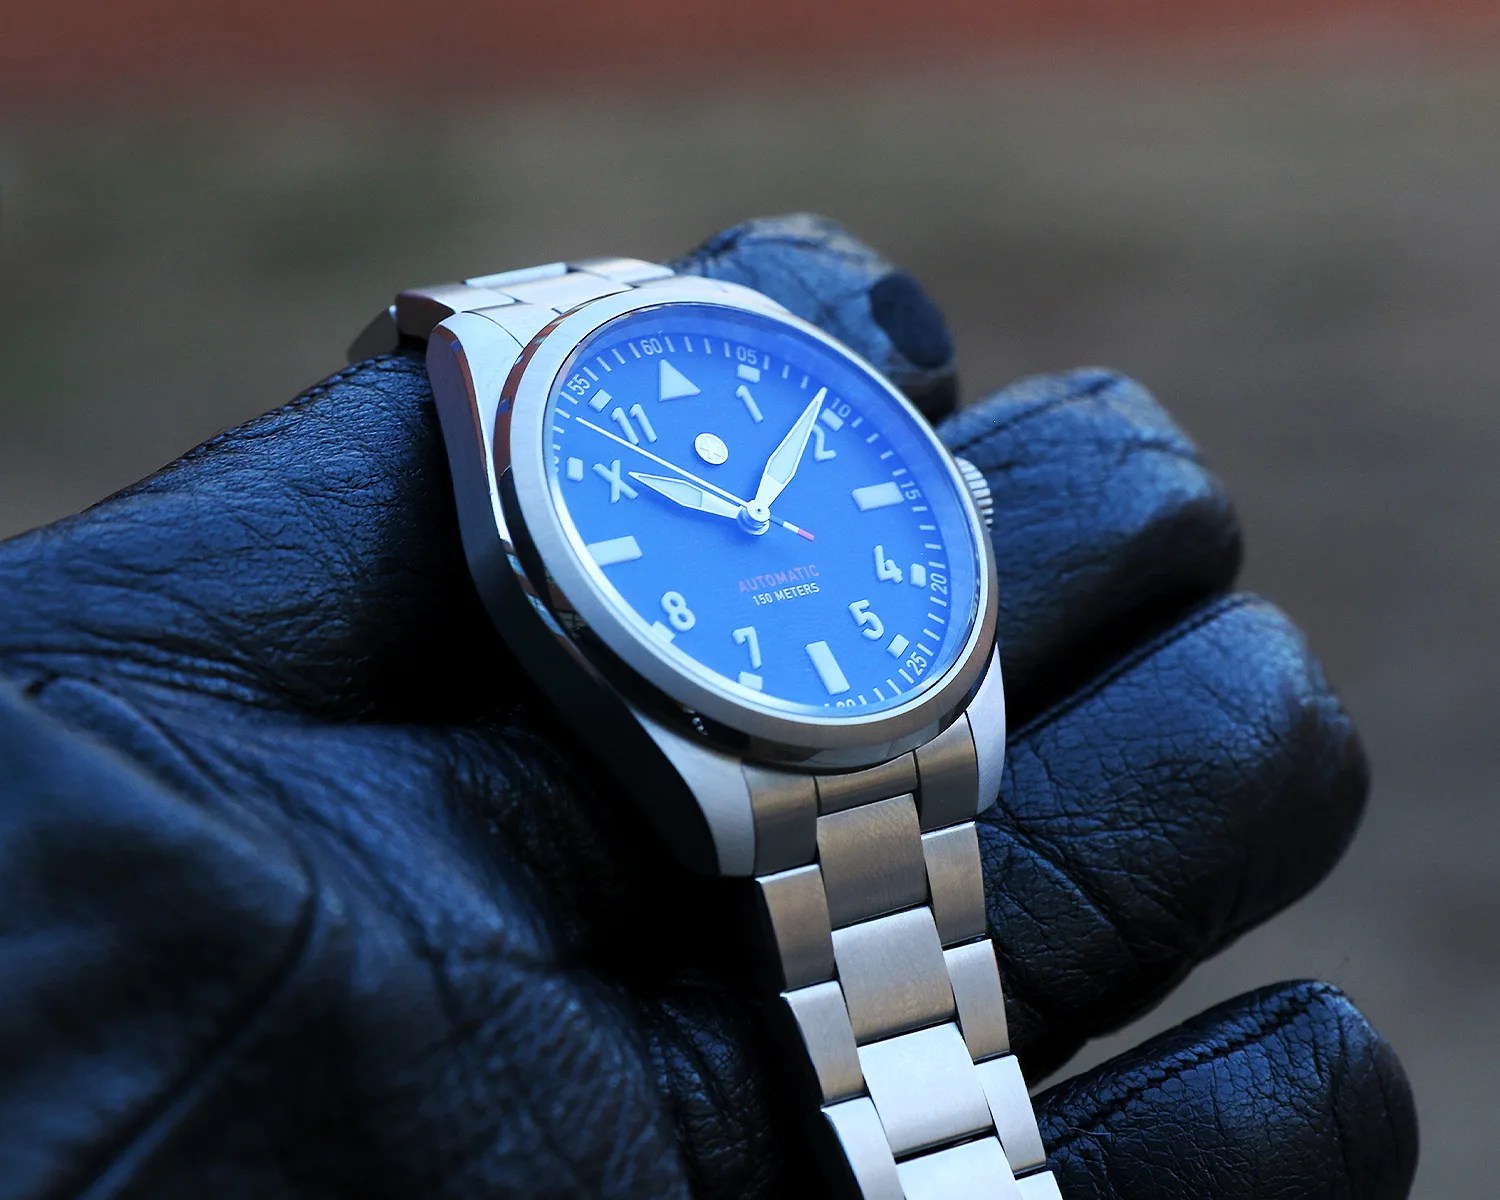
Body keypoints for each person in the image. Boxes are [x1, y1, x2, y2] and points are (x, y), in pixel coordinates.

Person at [0, 217, 1417, 1198]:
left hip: (904, 700)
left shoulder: (882, 521)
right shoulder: (540, 515)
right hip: (756, 744)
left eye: (769, 491)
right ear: (530, 586)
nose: (754, 516)